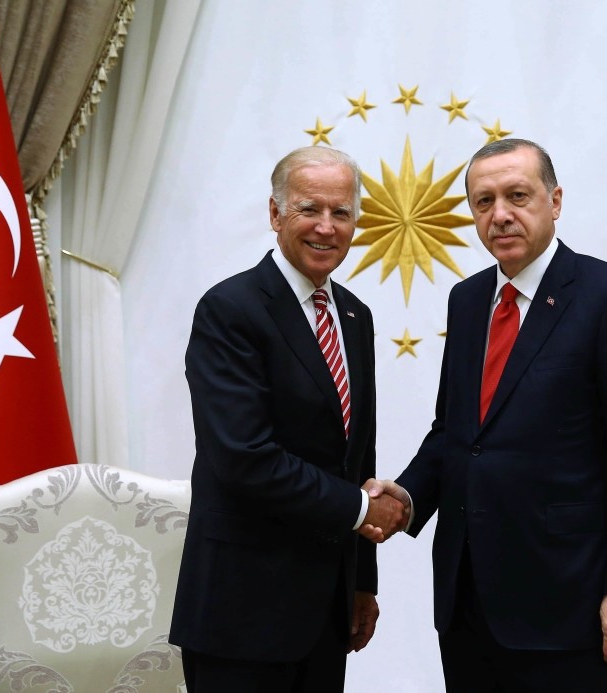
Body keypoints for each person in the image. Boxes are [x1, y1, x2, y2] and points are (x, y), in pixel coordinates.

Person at [369, 139, 607, 691]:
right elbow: (457, 434)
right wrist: (406, 498)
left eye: (517, 196)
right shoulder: (467, 300)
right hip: (468, 597)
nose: (500, 215)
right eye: (483, 202)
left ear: (554, 201)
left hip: (571, 601)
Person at [170, 145, 407, 692]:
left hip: (326, 611)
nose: (327, 227)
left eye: (341, 212)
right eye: (309, 210)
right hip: (241, 611)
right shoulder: (229, 310)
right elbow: (243, 458)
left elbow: (357, 458)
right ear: (276, 214)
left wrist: (361, 581)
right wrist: (360, 509)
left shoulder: (353, 314)